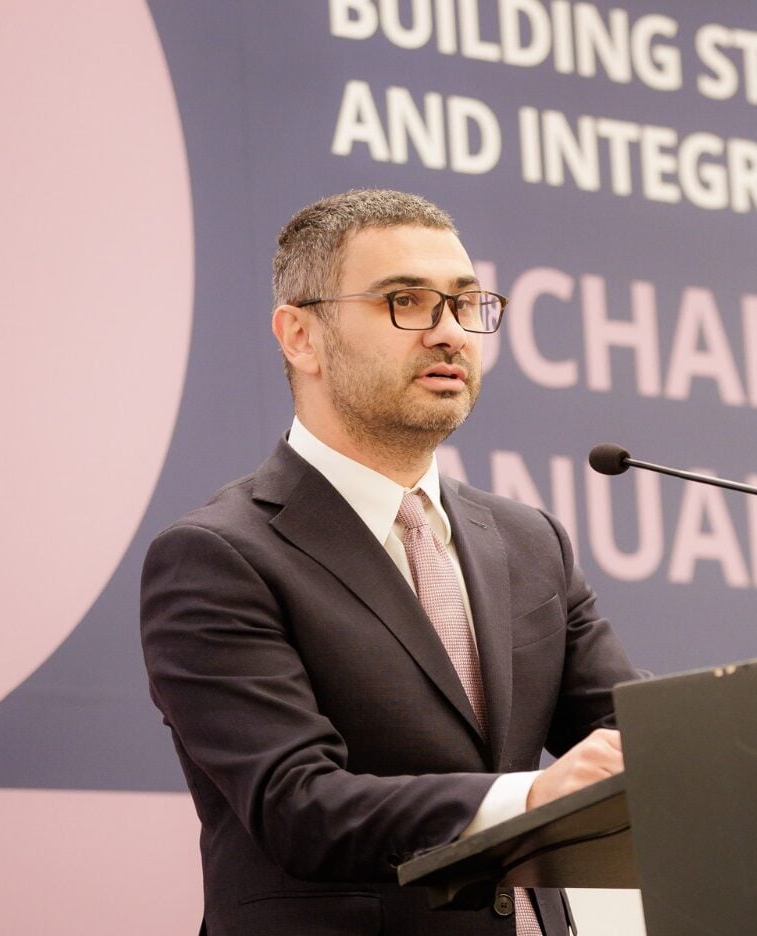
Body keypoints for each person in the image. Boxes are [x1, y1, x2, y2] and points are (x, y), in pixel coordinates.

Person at [140, 189, 637, 936]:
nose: (450, 333)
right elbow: (297, 805)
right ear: (301, 336)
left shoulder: (530, 542)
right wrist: (528, 798)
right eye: (406, 301)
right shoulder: (218, 557)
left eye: (465, 304)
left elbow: (629, 732)